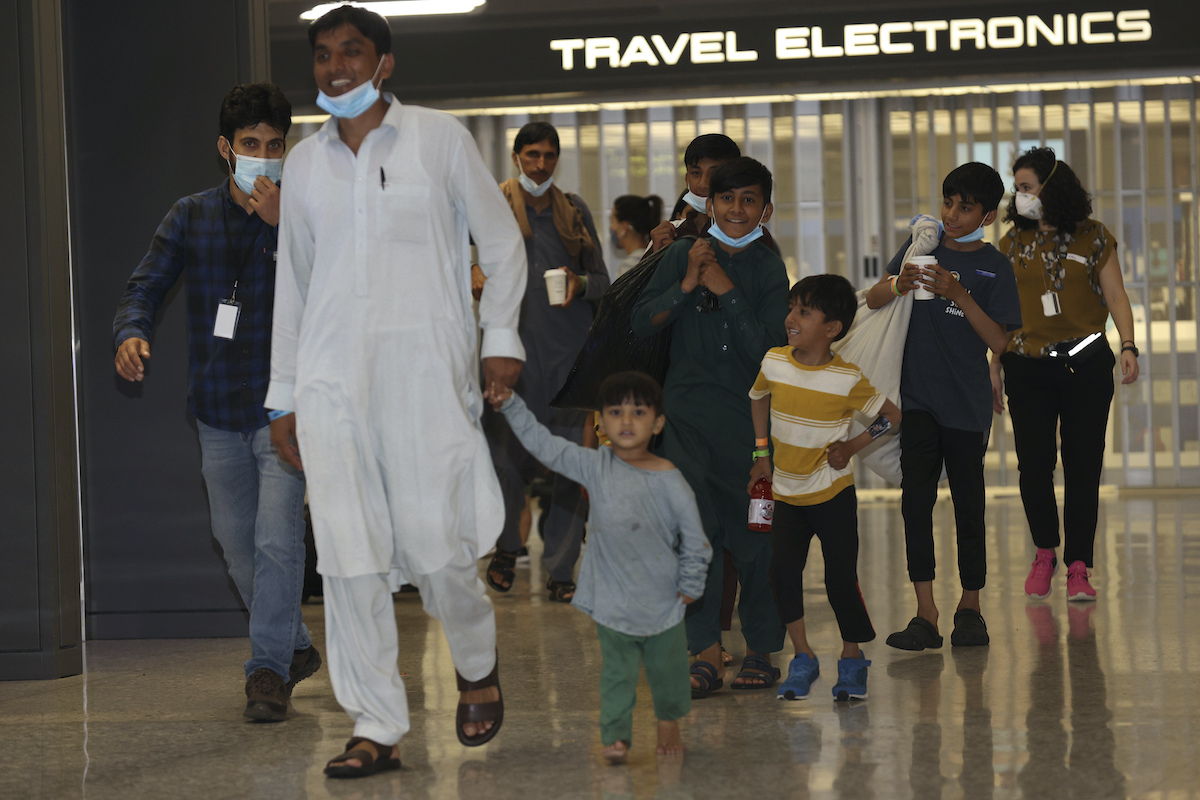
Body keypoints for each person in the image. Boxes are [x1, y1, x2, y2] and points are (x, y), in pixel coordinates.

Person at [265, 5, 526, 777]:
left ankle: (475, 661)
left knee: (438, 544)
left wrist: (501, 339)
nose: (335, 66)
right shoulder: (303, 164)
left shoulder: (438, 139)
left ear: (384, 63)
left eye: (351, 51)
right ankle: (375, 724)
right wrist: (285, 394)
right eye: (322, 54)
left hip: (426, 378)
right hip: (331, 383)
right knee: (348, 555)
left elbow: (502, 244)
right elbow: (293, 284)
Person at [112, 83, 318, 723]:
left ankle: (267, 672)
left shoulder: (306, 217)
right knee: (236, 544)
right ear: (226, 149)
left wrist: (285, 229)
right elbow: (144, 286)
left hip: (285, 410)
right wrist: (131, 332)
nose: (264, 156)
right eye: (251, 144)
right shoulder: (190, 215)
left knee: (278, 542)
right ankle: (294, 646)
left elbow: (338, 291)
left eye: (275, 145)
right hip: (217, 410)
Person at [484, 371, 711, 763]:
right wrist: (512, 405)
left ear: (658, 423)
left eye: (638, 412)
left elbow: (695, 537)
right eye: (615, 412)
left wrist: (691, 582)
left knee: (669, 672)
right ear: (600, 422)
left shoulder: (670, 479)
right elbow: (545, 445)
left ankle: (668, 720)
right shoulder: (594, 466)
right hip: (612, 599)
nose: (626, 421)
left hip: (663, 600)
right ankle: (616, 735)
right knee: (617, 674)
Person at [632, 156, 790, 696]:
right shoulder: (683, 253)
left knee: (756, 537)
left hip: (750, 425)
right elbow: (641, 321)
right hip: (686, 421)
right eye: (727, 199)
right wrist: (686, 284)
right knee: (693, 535)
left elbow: (770, 352)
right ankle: (703, 651)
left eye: (749, 200)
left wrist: (725, 289)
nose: (736, 209)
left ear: (766, 209)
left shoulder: (768, 267)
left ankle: (761, 648)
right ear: (710, 204)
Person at [865, 162, 1022, 651]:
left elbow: (1001, 341)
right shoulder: (922, 247)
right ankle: (925, 613)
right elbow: (872, 299)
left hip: (967, 405)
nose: (952, 214)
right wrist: (899, 283)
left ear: (988, 216)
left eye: (965, 207)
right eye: (948, 202)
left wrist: (959, 293)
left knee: (969, 506)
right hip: (917, 401)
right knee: (916, 504)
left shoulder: (995, 267)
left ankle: (970, 607)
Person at [992, 147, 1140, 601]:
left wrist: (1128, 344)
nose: (1020, 196)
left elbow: (1116, 296)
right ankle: (1044, 551)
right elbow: (1001, 313)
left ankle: (1079, 566)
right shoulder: (1010, 244)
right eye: (1017, 188)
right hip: (1026, 365)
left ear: (1051, 187)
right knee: (1034, 467)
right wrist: (993, 363)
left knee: (1083, 465)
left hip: (1085, 363)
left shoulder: (1093, 237)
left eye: (1027, 187)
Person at [748, 275, 902, 701]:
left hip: (832, 495)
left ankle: (852, 658)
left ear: (832, 328)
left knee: (840, 579)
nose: (791, 318)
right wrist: (761, 452)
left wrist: (852, 446)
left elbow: (891, 416)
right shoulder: (774, 361)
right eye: (791, 308)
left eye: (804, 311)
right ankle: (803, 656)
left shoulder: (846, 378)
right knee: (782, 573)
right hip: (785, 495)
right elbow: (758, 397)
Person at [483, 122, 611, 602]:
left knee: (569, 466)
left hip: (567, 359)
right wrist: (471, 271)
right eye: (532, 154)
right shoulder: (491, 206)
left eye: (549, 155)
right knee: (505, 461)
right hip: (510, 358)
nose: (540, 164)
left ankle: (561, 567)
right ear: (516, 157)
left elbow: (604, 281)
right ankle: (505, 546)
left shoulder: (573, 211)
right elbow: (452, 263)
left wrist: (580, 284)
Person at [648, 133, 741, 253]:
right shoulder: (670, 233)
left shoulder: (748, 235)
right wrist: (661, 254)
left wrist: (679, 257)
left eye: (714, 173)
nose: (703, 184)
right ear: (687, 180)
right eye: (696, 173)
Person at [610, 194, 663, 276]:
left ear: (624, 228)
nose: (611, 228)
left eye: (612, 222)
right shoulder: (653, 258)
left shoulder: (628, 267)